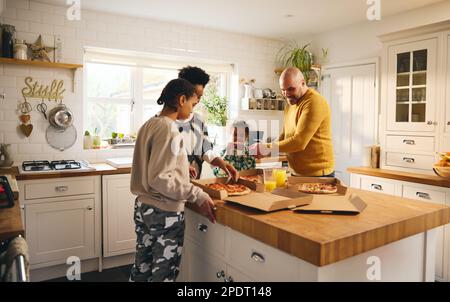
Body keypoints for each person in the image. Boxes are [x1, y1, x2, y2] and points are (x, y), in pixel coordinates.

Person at [130, 79, 216, 282]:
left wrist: (182, 170)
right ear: (181, 99)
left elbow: (156, 166)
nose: (193, 110)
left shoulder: (149, 124)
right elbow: (160, 178)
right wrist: (198, 194)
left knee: (142, 268)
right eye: (192, 105)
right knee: (163, 274)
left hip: (144, 207)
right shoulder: (170, 130)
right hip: (164, 212)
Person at [250, 67, 335, 177]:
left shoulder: (314, 102)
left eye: (291, 89)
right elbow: (284, 136)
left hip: (318, 174)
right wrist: (265, 150)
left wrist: (266, 147)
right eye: (283, 90)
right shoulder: (290, 103)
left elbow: (299, 142)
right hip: (296, 173)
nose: (286, 94)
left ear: (303, 83)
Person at [177, 66, 238, 180]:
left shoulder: (198, 120)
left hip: (193, 187)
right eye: (195, 96)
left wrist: (221, 162)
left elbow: (206, 149)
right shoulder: (164, 123)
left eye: (200, 97)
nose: (197, 101)